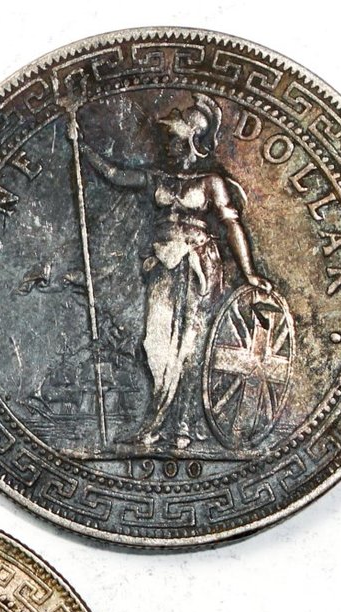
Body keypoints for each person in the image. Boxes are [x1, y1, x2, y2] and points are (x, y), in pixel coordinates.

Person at [80, 93, 270, 448]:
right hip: (162, 267)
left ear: (193, 141)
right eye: (168, 138)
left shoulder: (211, 182)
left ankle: (179, 424)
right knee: (155, 343)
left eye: (175, 139)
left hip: (198, 266)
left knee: (189, 346)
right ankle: (156, 419)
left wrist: (248, 273)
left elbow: (232, 226)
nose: (168, 144)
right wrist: (82, 148)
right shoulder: (157, 178)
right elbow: (115, 175)